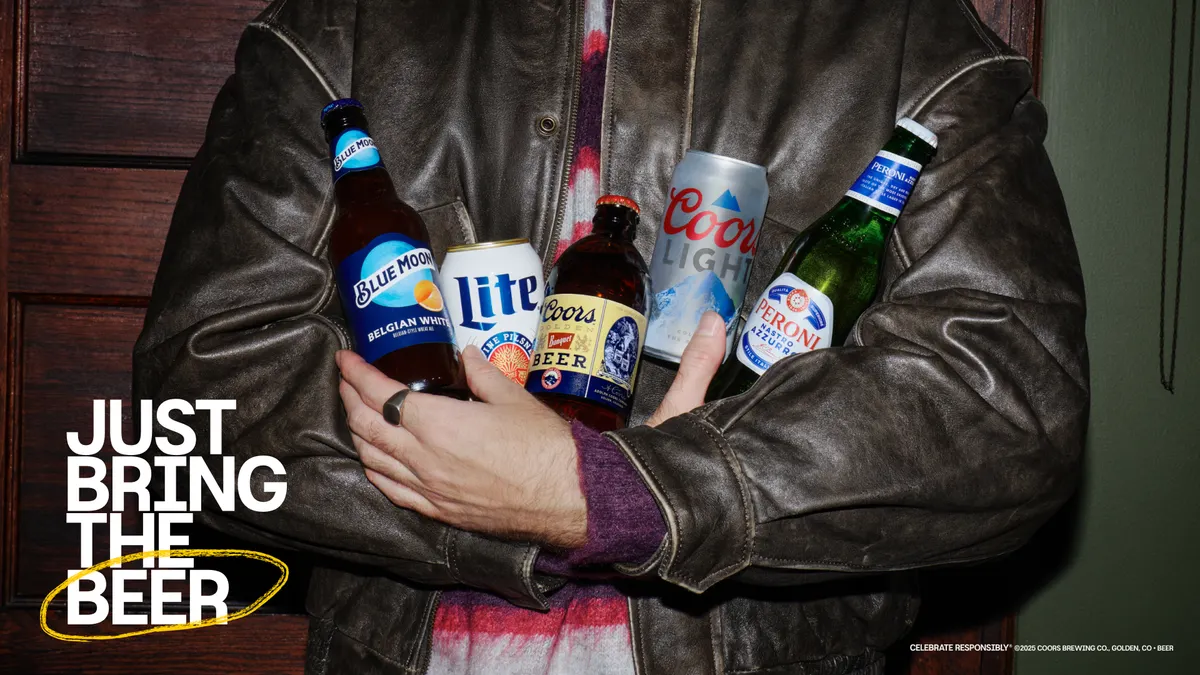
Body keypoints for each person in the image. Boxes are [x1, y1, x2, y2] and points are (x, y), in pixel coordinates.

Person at [133, 0, 1089, 674]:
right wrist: (489, 490)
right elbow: (202, 389)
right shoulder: (340, 25)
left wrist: (614, 495)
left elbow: (1007, 408)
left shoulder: (909, 35)